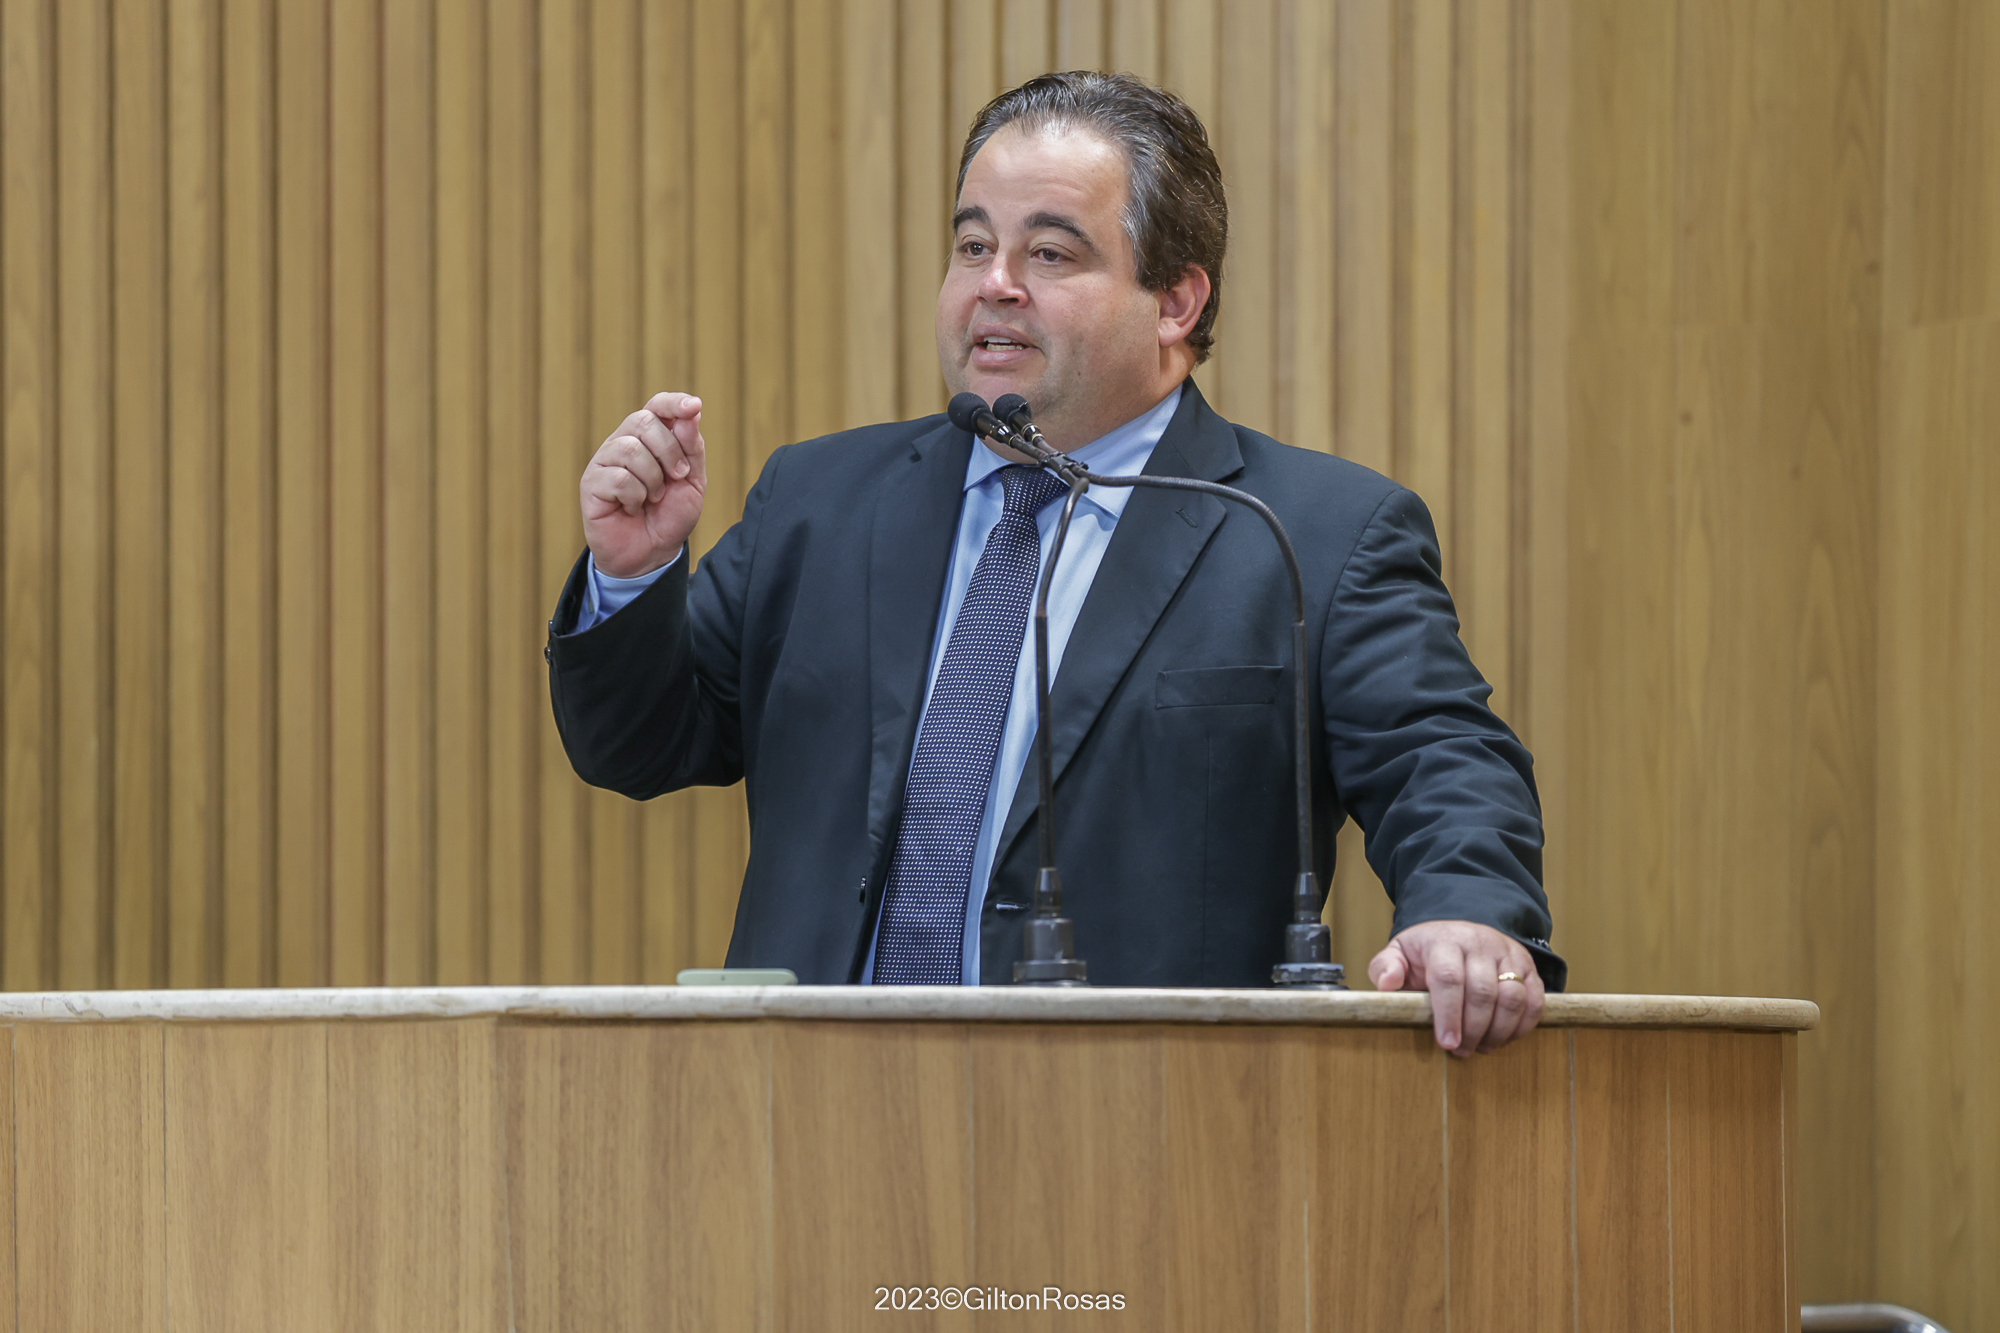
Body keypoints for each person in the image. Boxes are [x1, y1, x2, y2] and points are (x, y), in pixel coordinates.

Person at [547, 71, 1560, 1056]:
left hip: (1139, 1116)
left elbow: (1440, 757)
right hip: (813, 1109)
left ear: (1175, 300)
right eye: (972, 244)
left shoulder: (1306, 534)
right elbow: (637, 747)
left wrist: (1469, 912)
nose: (994, 284)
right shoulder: (819, 501)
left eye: (1049, 252)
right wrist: (632, 574)